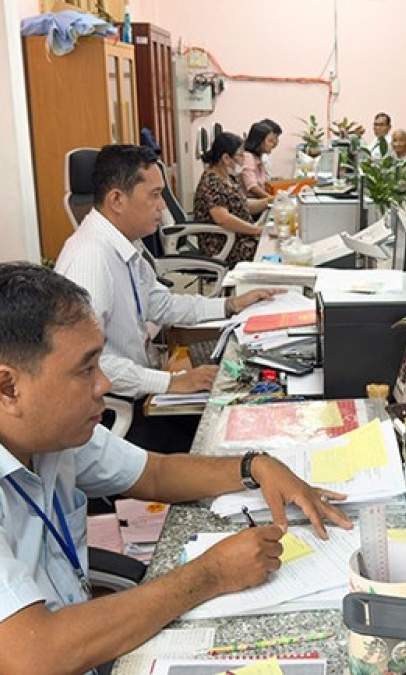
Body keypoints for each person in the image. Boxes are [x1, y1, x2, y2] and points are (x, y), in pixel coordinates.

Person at [0, 262, 352, 674]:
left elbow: (156, 474)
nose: (104, 384)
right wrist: (211, 574)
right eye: (86, 369)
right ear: (8, 387)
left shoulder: (36, 423)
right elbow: (39, 657)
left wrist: (256, 465)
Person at [57, 144, 279, 454]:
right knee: (228, 441)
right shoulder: (90, 260)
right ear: (117, 200)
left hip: (141, 391)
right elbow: (86, 364)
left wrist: (229, 306)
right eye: (154, 195)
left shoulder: (124, 245)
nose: (162, 206)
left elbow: (162, 304)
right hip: (113, 416)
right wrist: (170, 382)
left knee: (239, 413)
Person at [194, 131, 270, 266]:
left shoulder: (229, 177)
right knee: (268, 253)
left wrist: (269, 201)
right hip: (222, 244)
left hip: (237, 237)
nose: (243, 160)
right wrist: (257, 230)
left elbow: (242, 206)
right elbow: (223, 219)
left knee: (271, 244)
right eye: (240, 155)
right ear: (226, 158)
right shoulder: (212, 182)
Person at [241, 121, 279, 199]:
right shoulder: (248, 157)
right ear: (259, 141)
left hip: (259, 200)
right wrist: (272, 199)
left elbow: (260, 182)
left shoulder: (258, 157)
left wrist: (272, 180)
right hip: (251, 203)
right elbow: (252, 187)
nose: (273, 144)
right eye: (270, 141)